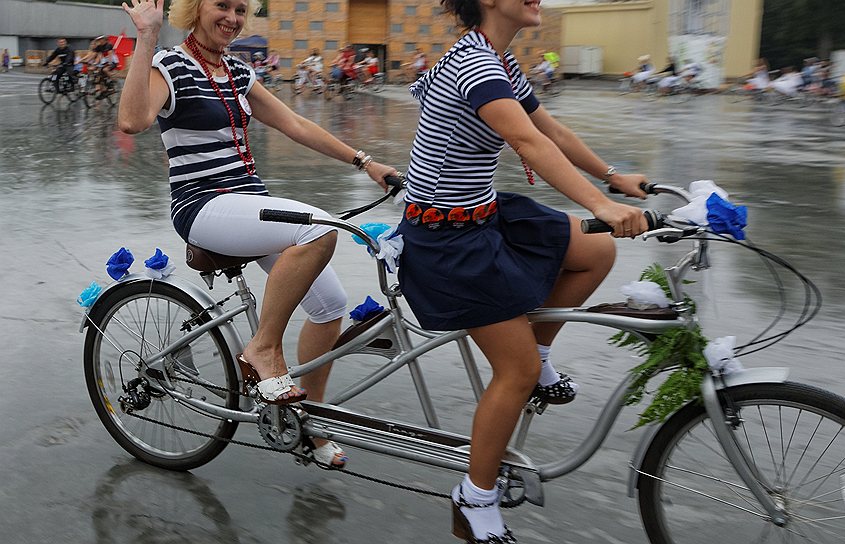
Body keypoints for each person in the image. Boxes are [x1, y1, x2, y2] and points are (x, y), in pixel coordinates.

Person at [398, 0, 654, 540]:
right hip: (445, 239)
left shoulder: (502, 61)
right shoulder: (476, 65)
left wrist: (614, 177)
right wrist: (604, 209)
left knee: (596, 252)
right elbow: (526, 142)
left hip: (486, 215)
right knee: (510, 372)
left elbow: (551, 131)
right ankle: (474, 498)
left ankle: (536, 354)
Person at [117, 0, 398, 468]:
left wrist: (366, 163)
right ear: (195, 9)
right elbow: (133, 120)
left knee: (330, 309)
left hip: (247, 200)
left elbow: (296, 124)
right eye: (221, 6)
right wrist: (146, 37)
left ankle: (308, 418)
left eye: (240, 9)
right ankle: (263, 350)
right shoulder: (170, 65)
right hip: (202, 205)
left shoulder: (238, 73)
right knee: (317, 232)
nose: (231, 17)